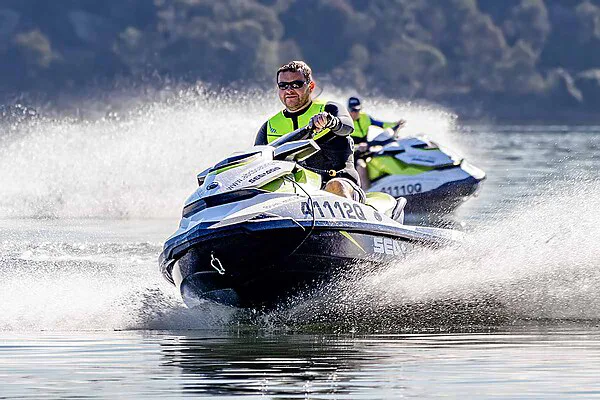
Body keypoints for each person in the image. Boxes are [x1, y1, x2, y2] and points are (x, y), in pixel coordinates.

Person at [255, 61, 365, 202]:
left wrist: (331, 121)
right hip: (297, 195)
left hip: (342, 185)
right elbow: (257, 162)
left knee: (335, 186)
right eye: (283, 85)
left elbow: (348, 126)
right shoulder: (269, 126)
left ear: (310, 86)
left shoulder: (328, 109)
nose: (289, 90)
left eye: (296, 84)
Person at [347, 96, 406, 189]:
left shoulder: (365, 118)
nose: (355, 113)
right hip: (351, 154)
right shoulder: (345, 121)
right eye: (352, 110)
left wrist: (396, 124)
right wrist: (357, 147)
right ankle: (366, 195)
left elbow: (382, 124)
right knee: (361, 167)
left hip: (365, 151)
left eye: (357, 110)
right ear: (348, 110)